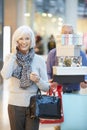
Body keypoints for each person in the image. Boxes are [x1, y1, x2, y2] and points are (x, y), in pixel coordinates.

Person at [1, 25, 52, 130]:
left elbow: (46, 87)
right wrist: (14, 54)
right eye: (21, 38)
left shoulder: (39, 60)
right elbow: (5, 75)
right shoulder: (10, 57)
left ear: (31, 40)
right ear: (16, 41)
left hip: (33, 105)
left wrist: (38, 80)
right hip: (14, 105)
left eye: (27, 38)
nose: (24, 42)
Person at [47, 24, 87, 130]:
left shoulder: (81, 54)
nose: (68, 36)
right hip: (58, 93)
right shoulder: (53, 53)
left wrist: (84, 82)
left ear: (74, 36)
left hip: (74, 92)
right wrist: (51, 82)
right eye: (65, 33)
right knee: (58, 124)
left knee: (73, 121)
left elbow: (85, 74)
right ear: (60, 35)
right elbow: (48, 73)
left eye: (70, 33)